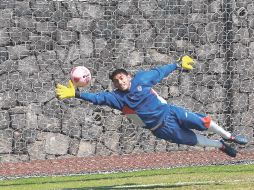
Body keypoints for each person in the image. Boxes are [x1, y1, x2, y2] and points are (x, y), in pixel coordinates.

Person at [55, 55, 248, 157]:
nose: (120, 82)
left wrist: (178, 64)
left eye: (121, 78)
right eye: (116, 81)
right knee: (197, 141)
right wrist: (76, 93)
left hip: (171, 112)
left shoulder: (142, 79)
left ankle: (230, 136)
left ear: (128, 76)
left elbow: (160, 71)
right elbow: (98, 98)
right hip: (161, 128)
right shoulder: (117, 98)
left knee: (204, 122)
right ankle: (220, 145)